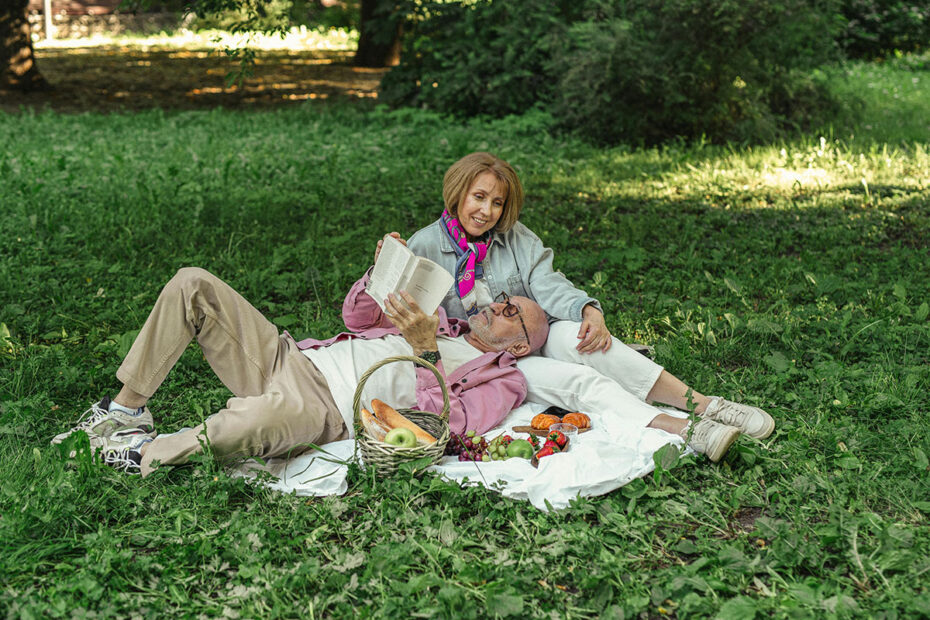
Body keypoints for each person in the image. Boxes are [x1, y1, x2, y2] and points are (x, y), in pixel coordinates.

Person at [371, 152, 775, 462]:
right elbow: (405, 312)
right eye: (478, 197)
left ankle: (707, 404)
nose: (486, 211)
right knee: (582, 383)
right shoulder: (424, 245)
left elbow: (548, 283)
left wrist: (587, 310)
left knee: (591, 343)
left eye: (497, 202)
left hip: (536, 332)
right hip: (485, 359)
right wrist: (386, 264)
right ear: (458, 192)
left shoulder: (515, 237)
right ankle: (690, 429)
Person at [51, 265, 550, 475]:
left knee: (248, 426)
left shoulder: (504, 378)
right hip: (290, 357)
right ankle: (125, 411)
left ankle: (140, 455)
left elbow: (447, 425)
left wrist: (426, 353)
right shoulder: (440, 317)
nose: (500, 308)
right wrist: (379, 273)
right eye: (504, 300)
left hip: (325, 406)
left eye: (513, 314)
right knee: (193, 284)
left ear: (524, 346)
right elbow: (356, 317)